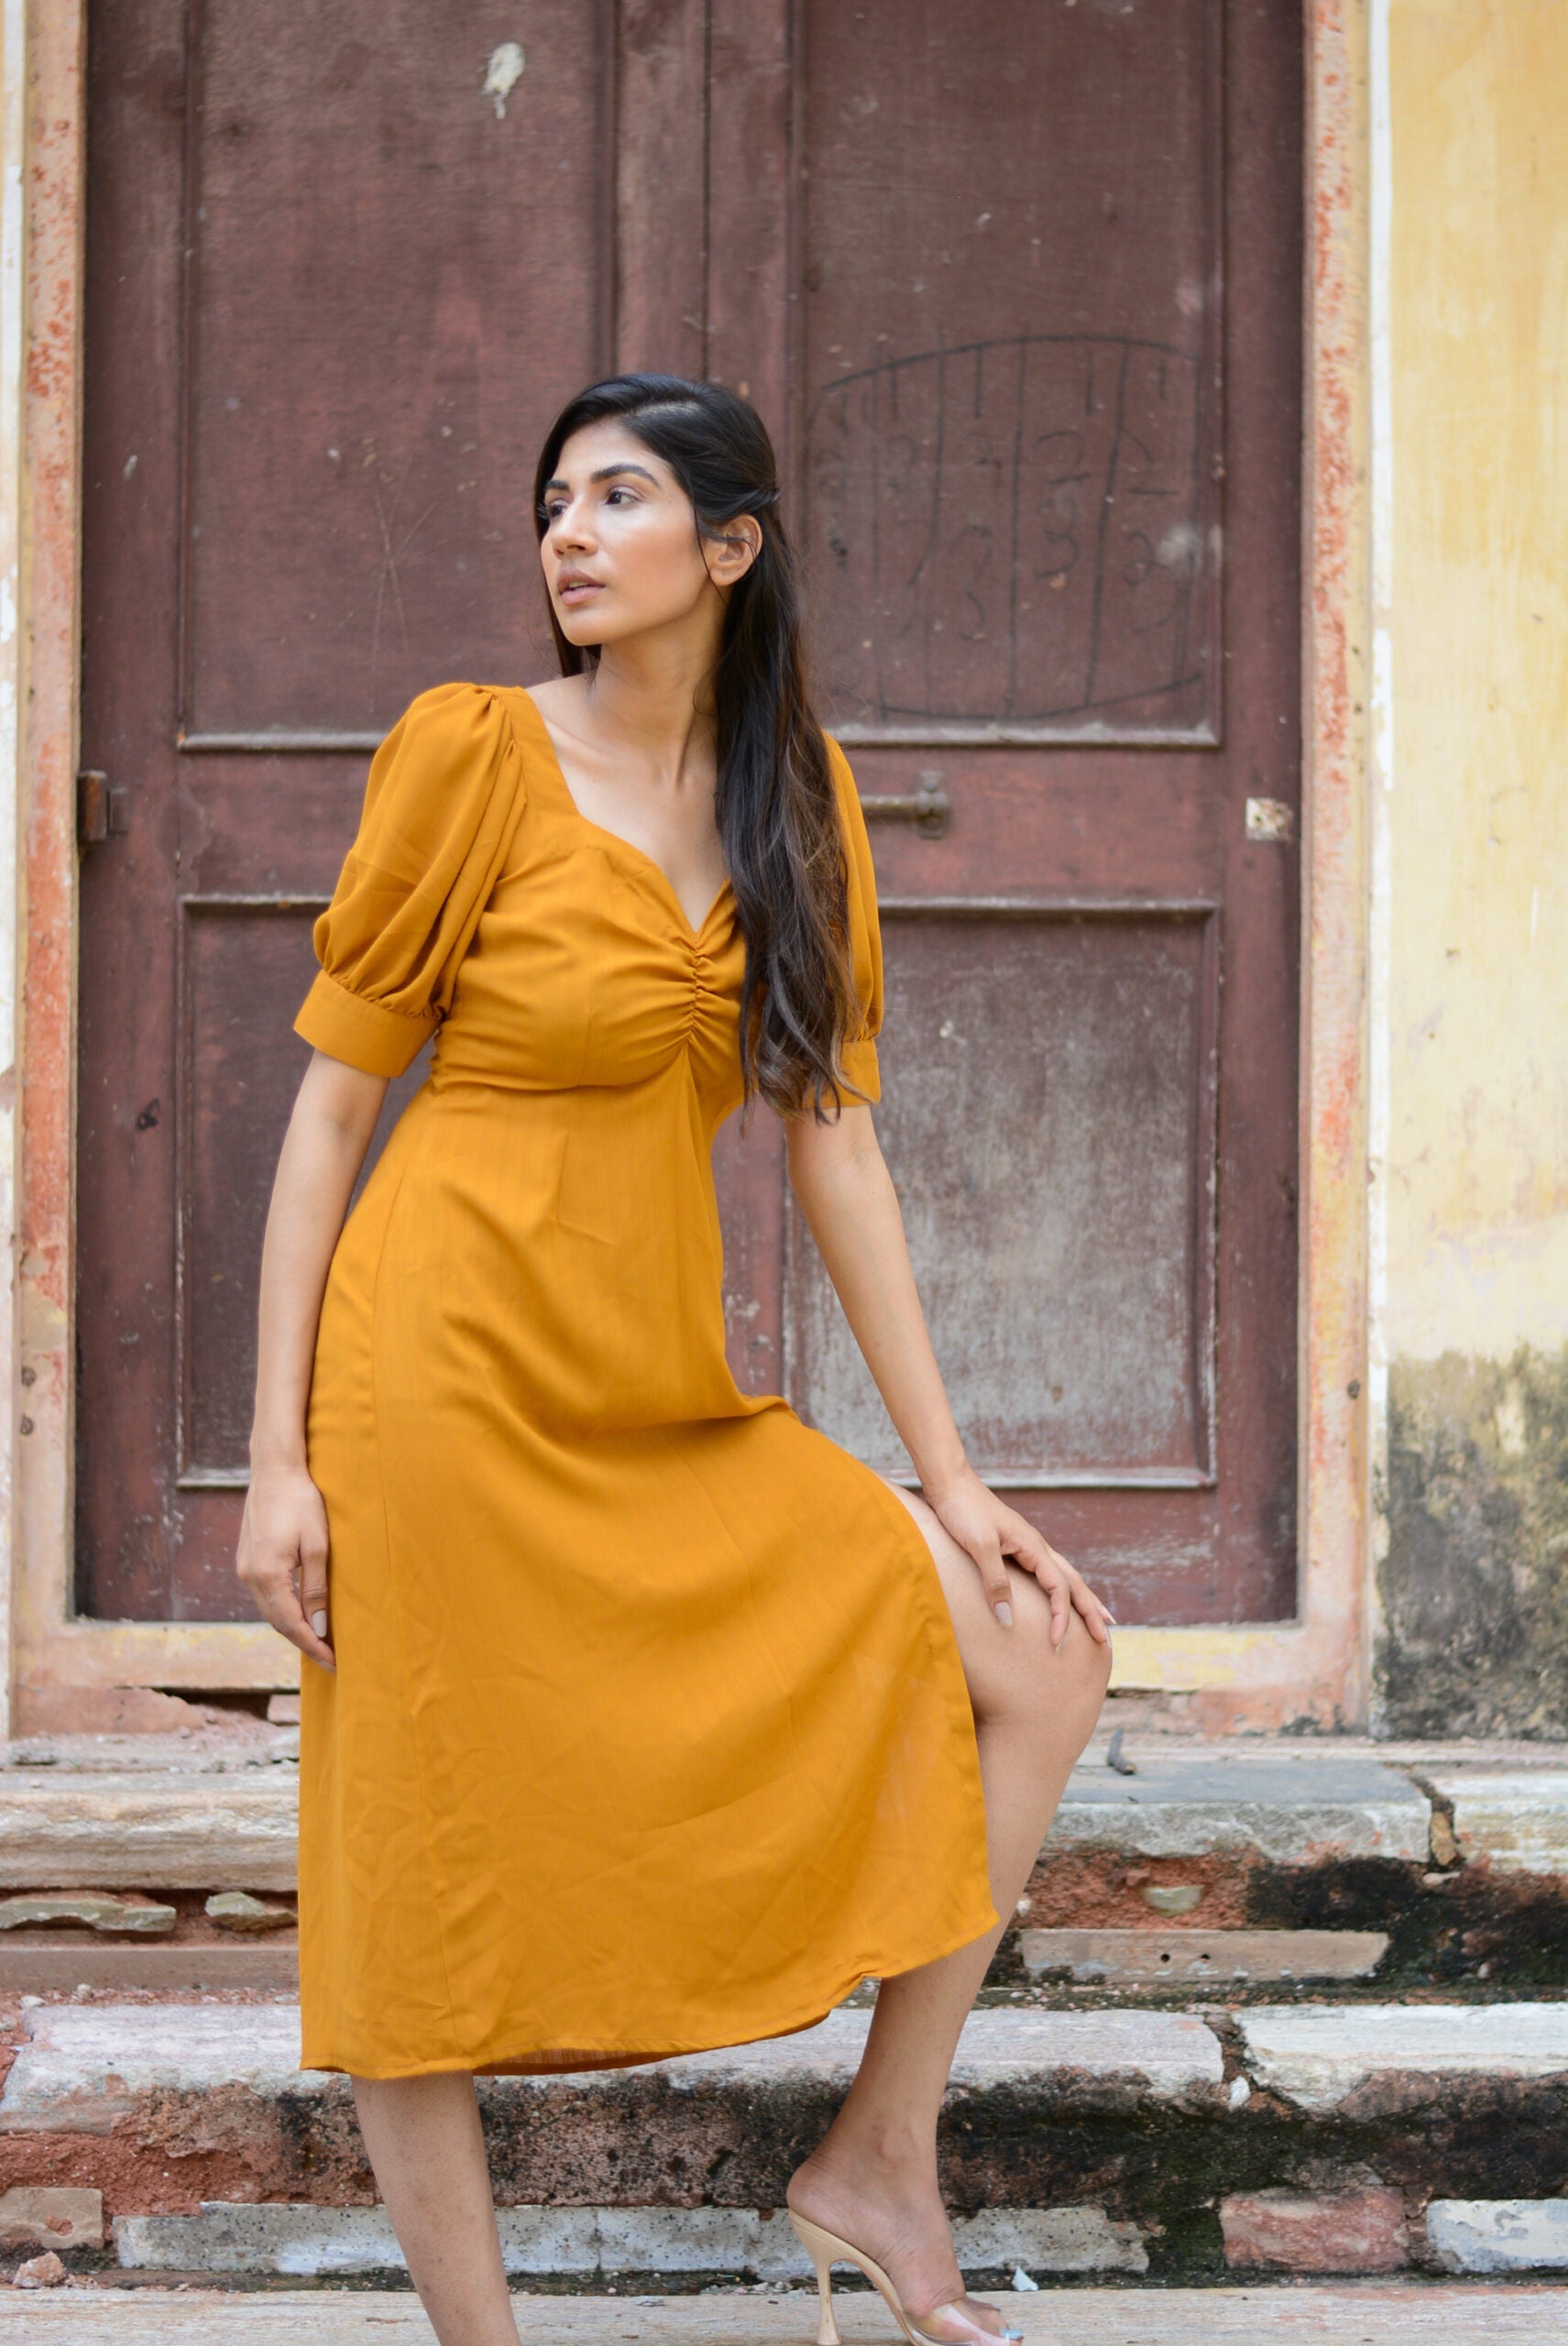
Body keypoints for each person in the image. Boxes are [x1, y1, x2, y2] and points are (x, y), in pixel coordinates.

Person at [238, 373, 1113, 2346]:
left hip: (656, 1390)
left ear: (729, 545)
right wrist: (276, 1458)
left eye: (618, 496)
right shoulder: (468, 754)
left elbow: (834, 1138)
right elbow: (324, 1117)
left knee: (1042, 1649)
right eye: (555, 499)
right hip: (436, 1371)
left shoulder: (791, 791)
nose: (568, 532)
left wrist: (952, 1474)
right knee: (421, 1853)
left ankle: (880, 2155)